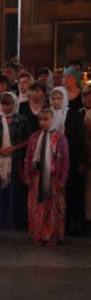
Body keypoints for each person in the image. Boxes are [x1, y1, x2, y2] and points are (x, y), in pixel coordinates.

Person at [23, 109, 69, 246]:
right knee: (37, 207)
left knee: (53, 207)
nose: (43, 123)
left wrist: (63, 179)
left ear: (52, 120)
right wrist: (27, 175)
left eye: (46, 119)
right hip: (37, 178)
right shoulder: (35, 137)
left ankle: (51, 235)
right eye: (40, 120)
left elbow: (65, 160)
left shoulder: (60, 138)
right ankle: (38, 234)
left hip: (53, 179)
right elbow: (29, 157)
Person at [0, 92, 31, 230]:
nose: (6, 107)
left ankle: (14, 220)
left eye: (9, 104)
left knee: (15, 190)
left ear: (14, 104)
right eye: (3, 104)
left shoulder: (22, 120)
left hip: (15, 159)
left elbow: (28, 139)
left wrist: (14, 148)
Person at [49, 86, 86, 235]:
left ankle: (71, 223)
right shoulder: (47, 114)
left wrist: (83, 161)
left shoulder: (74, 115)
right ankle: (53, 222)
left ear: (64, 99)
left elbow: (81, 139)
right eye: (53, 98)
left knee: (71, 190)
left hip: (72, 158)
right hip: (52, 159)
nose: (56, 101)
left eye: (59, 98)